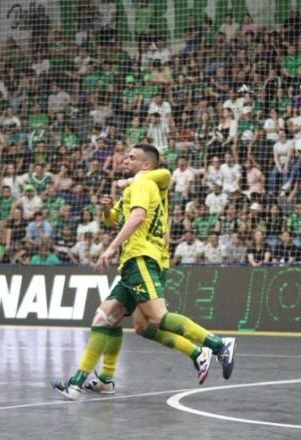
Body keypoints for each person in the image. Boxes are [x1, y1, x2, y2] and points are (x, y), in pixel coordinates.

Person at [53, 144, 236, 400]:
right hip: (136, 261)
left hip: (140, 257)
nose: (126, 160)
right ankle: (95, 381)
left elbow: (137, 216)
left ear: (146, 164)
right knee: (108, 319)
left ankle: (217, 344)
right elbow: (115, 218)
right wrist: (107, 209)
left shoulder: (142, 183)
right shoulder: (141, 185)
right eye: (126, 156)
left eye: (132, 157)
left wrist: (111, 248)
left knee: (157, 318)